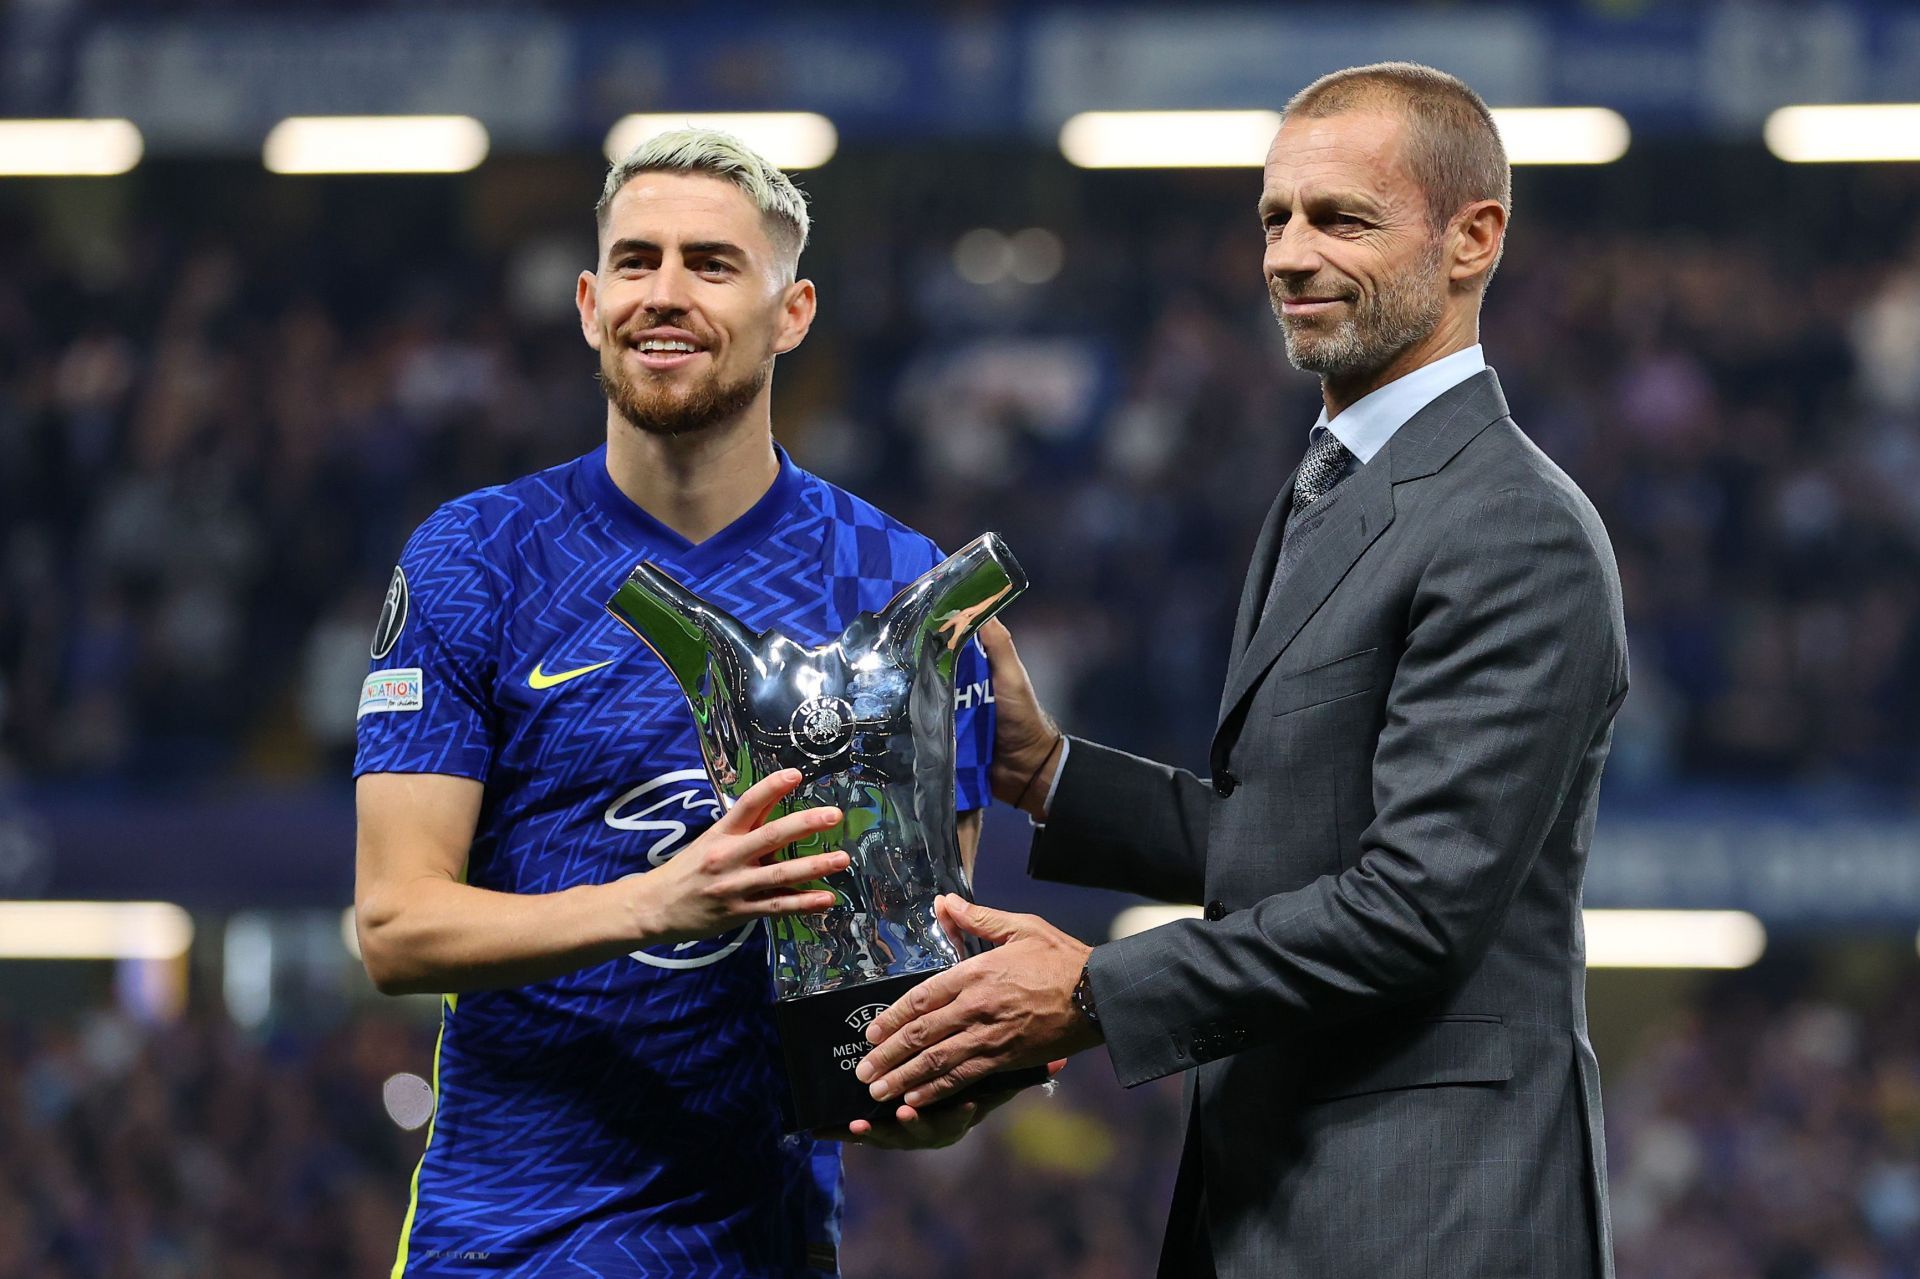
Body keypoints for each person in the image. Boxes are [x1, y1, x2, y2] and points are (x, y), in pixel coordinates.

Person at [856, 62, 1628, 1279]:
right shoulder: (1331, 484)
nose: (1290, 254)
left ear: (1474, 237)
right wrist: (1049, 773)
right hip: (1289, 1201)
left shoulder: (1509, 524)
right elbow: (1299, 847)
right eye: (1276, 218)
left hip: (1436, 1215)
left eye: (1343, 218)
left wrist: (1095, 990)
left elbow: (1414, 908)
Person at [352, 129, 999, 1278]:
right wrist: (661, 900)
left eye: (711, 263)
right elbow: (397, 928)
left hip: (760, 1247)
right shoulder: (478, 557)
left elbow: (909, 995)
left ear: (790, 311)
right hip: (503, 1247)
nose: (666, 293)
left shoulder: (900, 591)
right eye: (637, 261)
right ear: (591, 303)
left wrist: (943, 1079)